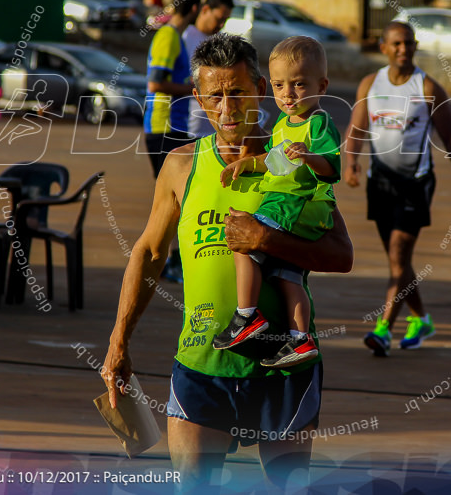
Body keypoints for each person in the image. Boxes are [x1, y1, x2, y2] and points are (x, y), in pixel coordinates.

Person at [102, 33, 353, 491]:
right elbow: (149, 253)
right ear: (197, 97)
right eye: (214, 95)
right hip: (202, 363)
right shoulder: (181, 166)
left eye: (237, 93)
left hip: (283, 365)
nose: (226, 107)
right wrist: (119, 339)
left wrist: (266, 238)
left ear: (260, 88)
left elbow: (341, 254)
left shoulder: (293, 160)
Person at [344, 21, 451, 356]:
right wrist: (350, 163)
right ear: (384, 47)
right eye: (397, 44)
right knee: (398, 264)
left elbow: (450, 140)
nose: (403, 49)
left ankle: (382, 330)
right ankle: (421, 319)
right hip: (380, 183)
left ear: (415, 46)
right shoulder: (370, 84)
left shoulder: (428, 88)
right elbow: (356, 128)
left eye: (408, 43)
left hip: (415, 184)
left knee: (397, 257)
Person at [212, 36, 341, 369]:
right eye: (281, 85)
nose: (289, 94)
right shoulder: (283, 125)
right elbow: (272, 161)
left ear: (322, 85)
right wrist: (246, 164)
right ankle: (300, 340)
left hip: (297, 202)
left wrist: (310, 157)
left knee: (242, 240)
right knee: (288, 276)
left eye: (299, 84)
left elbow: (331, 169)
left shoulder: (318, 123)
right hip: (291, 205)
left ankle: (247, 316)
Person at [144, 0, 201, 282]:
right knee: (176, 199)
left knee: (180, 199)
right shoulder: (168, 36)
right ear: (194, 9)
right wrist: (194, 89)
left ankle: (169, 260)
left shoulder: (174, 37)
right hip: (164, 127)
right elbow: (155, 83)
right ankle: (167, 260)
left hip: (172, 126)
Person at [182, 0, 234, 138]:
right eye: (219, 19)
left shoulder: (220, 41)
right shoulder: (185, 37)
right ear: (205, 10)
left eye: (226, 20)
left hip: (215, 125)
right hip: (189, 124)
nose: (221, 24)